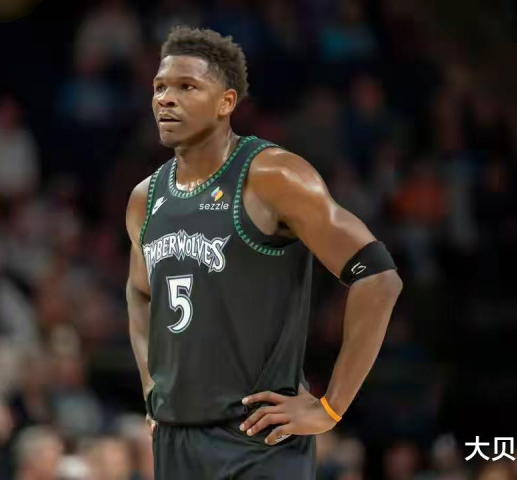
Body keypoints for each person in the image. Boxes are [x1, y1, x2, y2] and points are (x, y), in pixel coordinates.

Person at [125, 26, 403, 479]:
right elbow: (139, 293)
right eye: (160, 87)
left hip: (257, 440)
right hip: (176, 437)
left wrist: (331, 407)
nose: (165, 99)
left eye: (186, 87)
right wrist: (150, 386)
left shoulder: (271, 175)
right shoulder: (145, 197)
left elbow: (379, 277)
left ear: (226, 103)